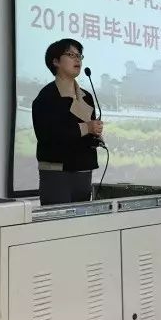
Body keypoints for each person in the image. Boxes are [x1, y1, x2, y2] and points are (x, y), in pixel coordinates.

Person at [32, 38, 103, 205]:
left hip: (83, 170)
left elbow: (85, 131)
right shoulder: (47, 97)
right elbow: (48, 135)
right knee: (59, 219)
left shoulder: (86, 96)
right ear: (56, 61)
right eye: (71, 55)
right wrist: (87, 128)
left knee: (82, 220)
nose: (77, 59)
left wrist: (95, 135)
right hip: (57, 172)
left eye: (79, 56)